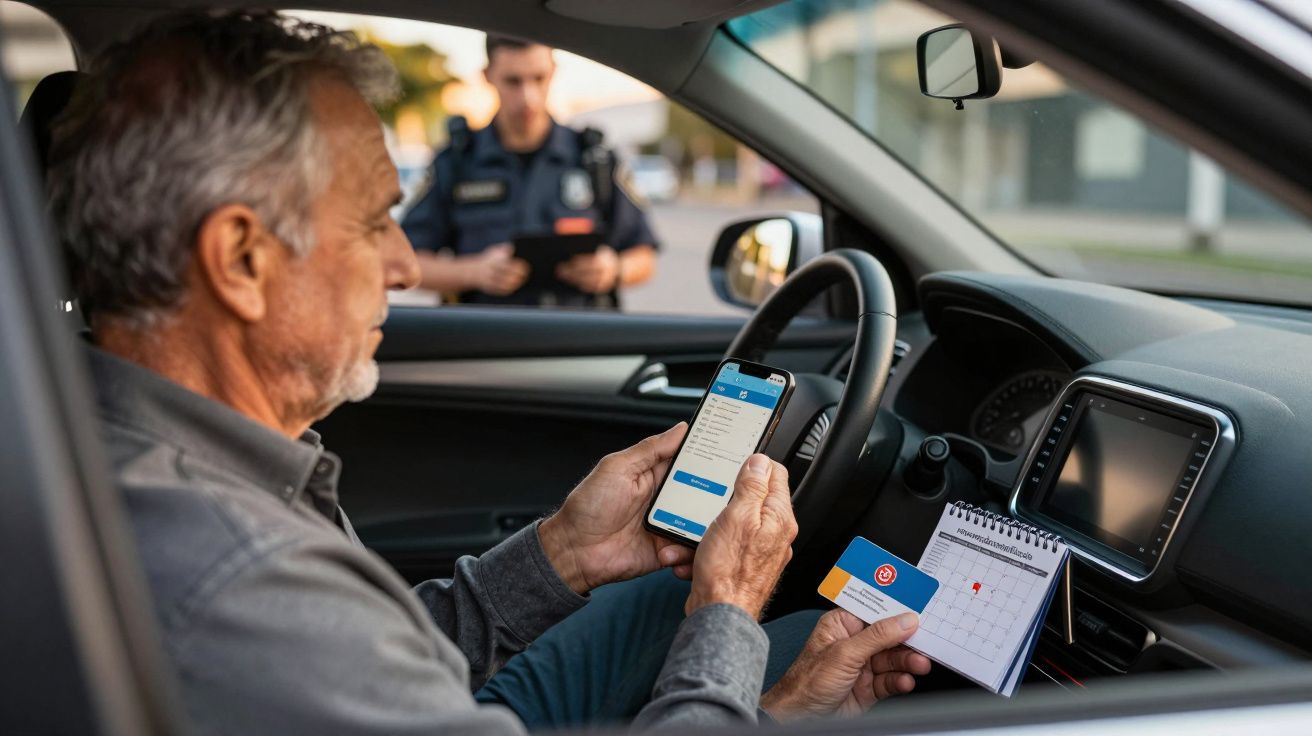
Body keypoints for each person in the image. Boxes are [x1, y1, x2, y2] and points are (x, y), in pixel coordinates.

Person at [45, 11, 929, 734]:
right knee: (789, 633)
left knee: (738, 616)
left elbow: (379, 650)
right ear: (240, 258)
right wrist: (736, 633)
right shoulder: (238, 582)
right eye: (373, 222)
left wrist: (562, 555)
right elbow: (333, 643)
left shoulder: (149, 453)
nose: (402, 264)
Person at [401, 35, 659, 308]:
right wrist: (473, 272)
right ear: (488, 76)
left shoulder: (594, 158)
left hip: (577, 339)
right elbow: (407, 262)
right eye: (513, 81)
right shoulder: (455, 162)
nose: (528, 97)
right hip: (485, 338)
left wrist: (613, 269)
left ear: (554, 72)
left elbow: (644, 256)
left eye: (539, 78)